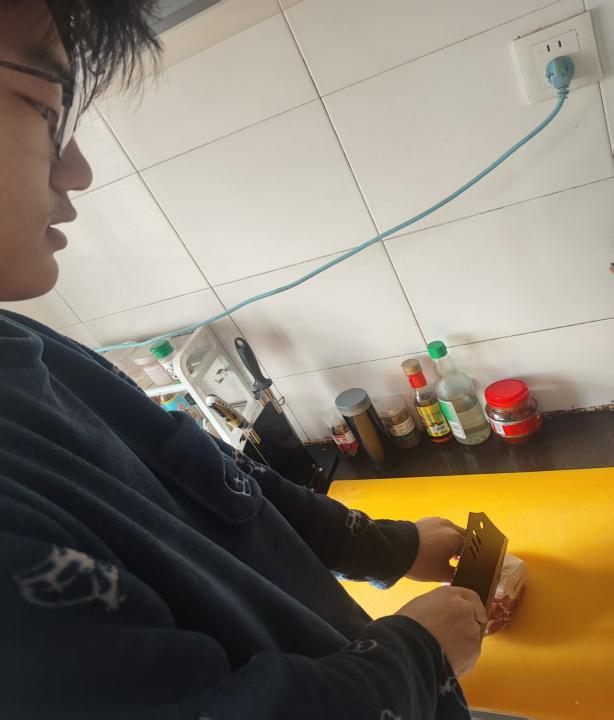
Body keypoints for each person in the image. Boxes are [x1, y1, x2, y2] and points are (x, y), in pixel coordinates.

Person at [0, 2, 486, 717]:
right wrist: (415, 655)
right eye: (46, 109)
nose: (76, 169)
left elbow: (218, 481)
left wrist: (387, 547)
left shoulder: (28, 347)